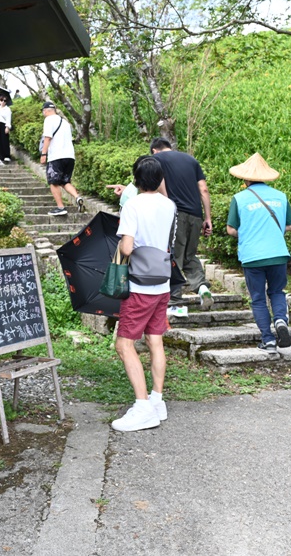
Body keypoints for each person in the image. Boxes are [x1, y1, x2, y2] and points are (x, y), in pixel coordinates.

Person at [111, 155, 176, 432]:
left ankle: (142, 407)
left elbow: (126, 249)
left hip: (139, 286)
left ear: (135, 180)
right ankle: (157, 401)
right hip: (162, 283)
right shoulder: (170, 205)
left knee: (124, 344)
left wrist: (130, 241)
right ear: (160, 179)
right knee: (155, 340)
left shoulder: (133, 204)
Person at [226, 153, 291, 352]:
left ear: (245, 178)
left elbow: (231, 230)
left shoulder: (239, 199)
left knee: (258, 298)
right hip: (278, 253)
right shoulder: (280, 196)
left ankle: (268, 340)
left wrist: (249, 232)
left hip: (252, 256)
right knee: (276, 291)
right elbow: (290, 225)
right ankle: (281, 320)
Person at [149, 138, 214, 308]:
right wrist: (208, 218)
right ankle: (202, 288)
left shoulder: (156, 160)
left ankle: (174, 300)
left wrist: (167, 202)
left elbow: (158, 183)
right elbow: (204, 190)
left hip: (175, 214)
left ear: (155, 150)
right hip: (196, 215)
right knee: (189, 256)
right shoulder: (191, 160)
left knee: (174, 255)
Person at [40, 101, 84, 216]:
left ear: (45, 111)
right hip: (70, 156)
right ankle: (77, 197)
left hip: (56, 156)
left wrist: (43, 154)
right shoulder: (64, 122)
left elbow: (48, 138)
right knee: (65, 181)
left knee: (53, 182)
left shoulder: (48, 120)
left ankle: (60, 207)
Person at [0, 95, 12, 162]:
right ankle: (1, 156)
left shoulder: (7, 109)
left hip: (4, 125)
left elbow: (8, 118)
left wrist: (7, 127)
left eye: (4, 101)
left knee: (5, 140)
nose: (3, 102)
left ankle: (7, 155)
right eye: (1, 100)